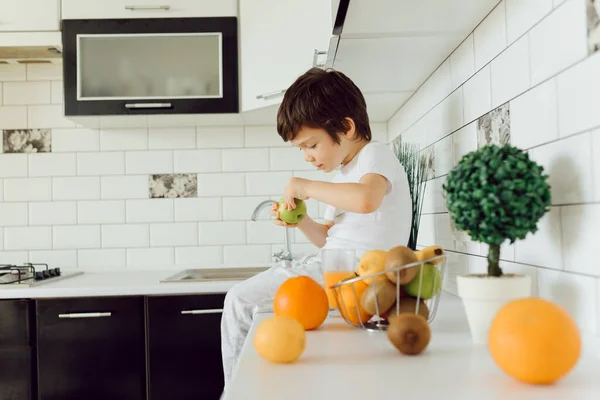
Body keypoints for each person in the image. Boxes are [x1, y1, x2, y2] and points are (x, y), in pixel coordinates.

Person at [220, 67, 412, 391]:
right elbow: (327, 240)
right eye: (301, 150)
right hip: (333, 271)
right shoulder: (341, 178)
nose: (307, 157)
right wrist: (301, 221)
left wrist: (308, 186)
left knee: (240, 301)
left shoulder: (375, 155)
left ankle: (234, 393)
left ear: (346, 127)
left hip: (356, 277)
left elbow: (367, 200)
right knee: (246, 306)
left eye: (311, 145)